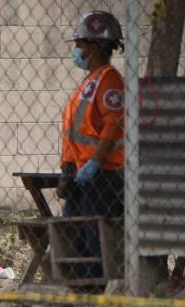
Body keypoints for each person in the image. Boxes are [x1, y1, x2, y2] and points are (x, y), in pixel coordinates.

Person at [58, 10, 125, 278]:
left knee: (94, 238)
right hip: (81, 172)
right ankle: (81, 285)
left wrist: (95, 162)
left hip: (102, 175)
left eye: (79, 44)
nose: (76, 50)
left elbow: (113, 125)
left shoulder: (109, 80)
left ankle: (97, 286)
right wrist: (69, 167)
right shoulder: (91, 80)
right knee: (74, 235)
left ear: (94, 47)